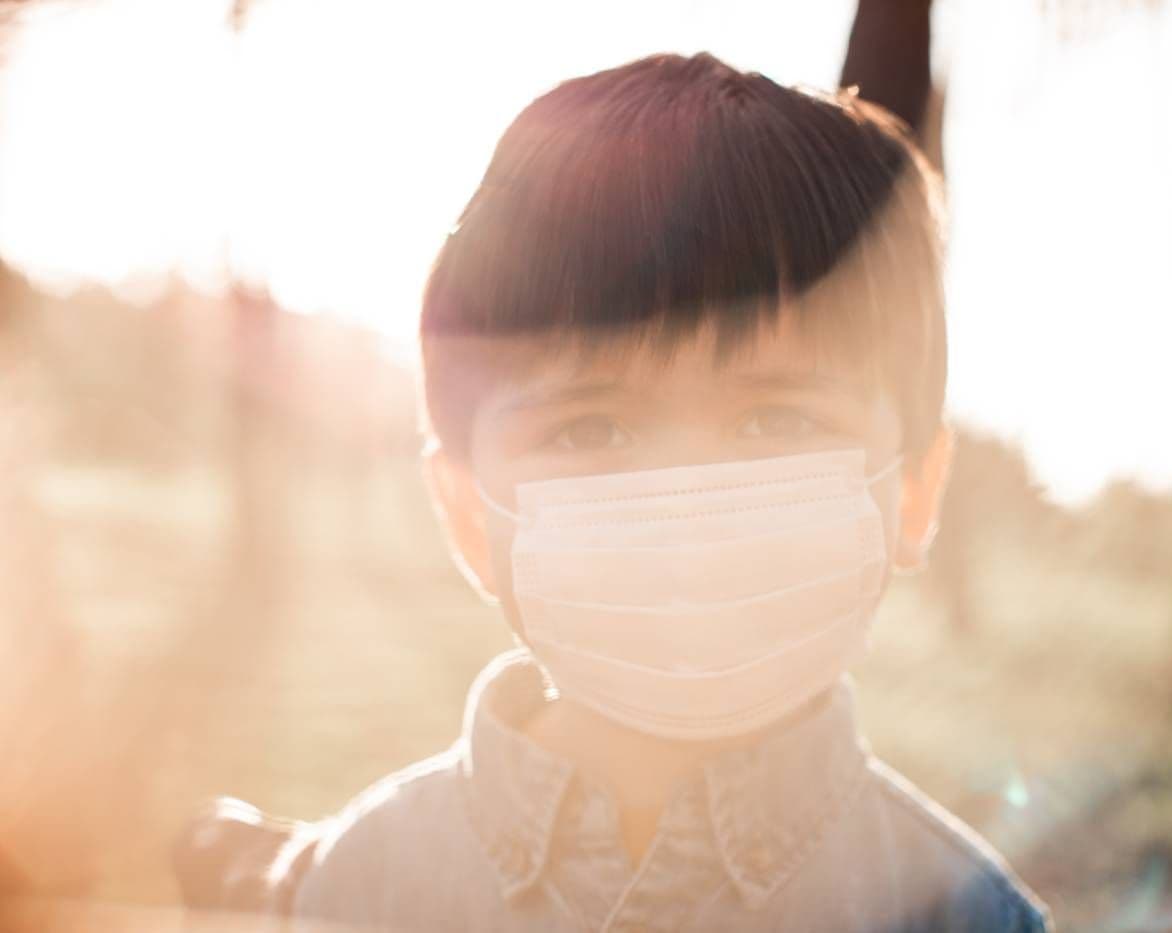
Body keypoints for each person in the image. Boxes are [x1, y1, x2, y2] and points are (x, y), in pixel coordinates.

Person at [230, 51, 1050, 932]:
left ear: (915, 490)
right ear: (469, 513)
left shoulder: (969, 917)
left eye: (775, 419)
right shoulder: (361, 887)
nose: (687, 509)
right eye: (591, 429)